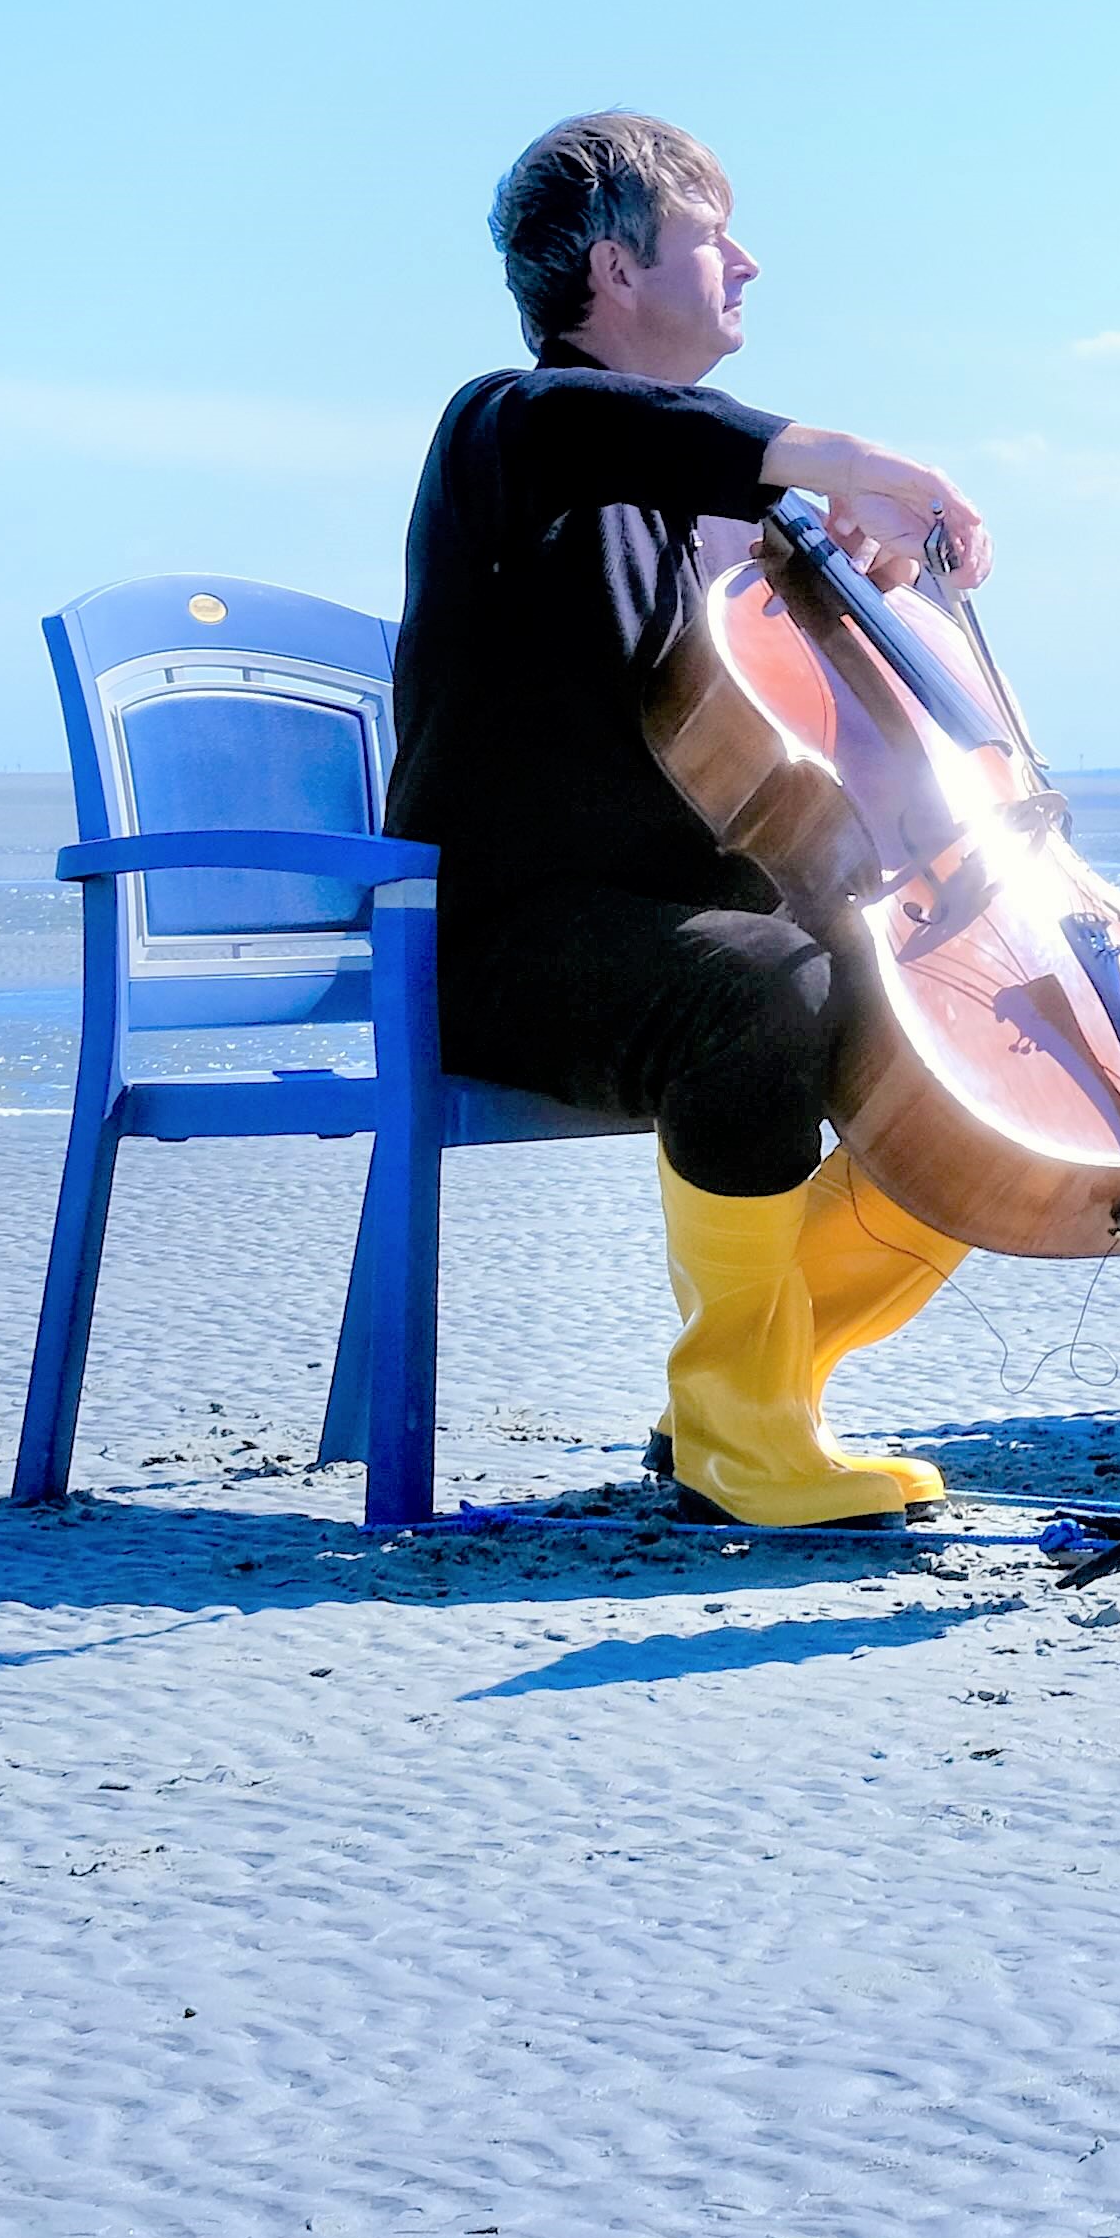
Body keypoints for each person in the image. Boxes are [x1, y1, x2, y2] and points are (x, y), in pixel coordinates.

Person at [388, 112, 999, 1527]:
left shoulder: (719, 524)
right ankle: (743, 1432)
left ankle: (743, 1381)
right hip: (504, 949)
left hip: (678, 934)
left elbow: (814, 741)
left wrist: (870, 569)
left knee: (968, 1041)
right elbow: (629, 432)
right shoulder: (507, 428)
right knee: (763, 984)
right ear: (612, 268)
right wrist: (855, 461)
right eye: (715, 237)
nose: (751, 263)